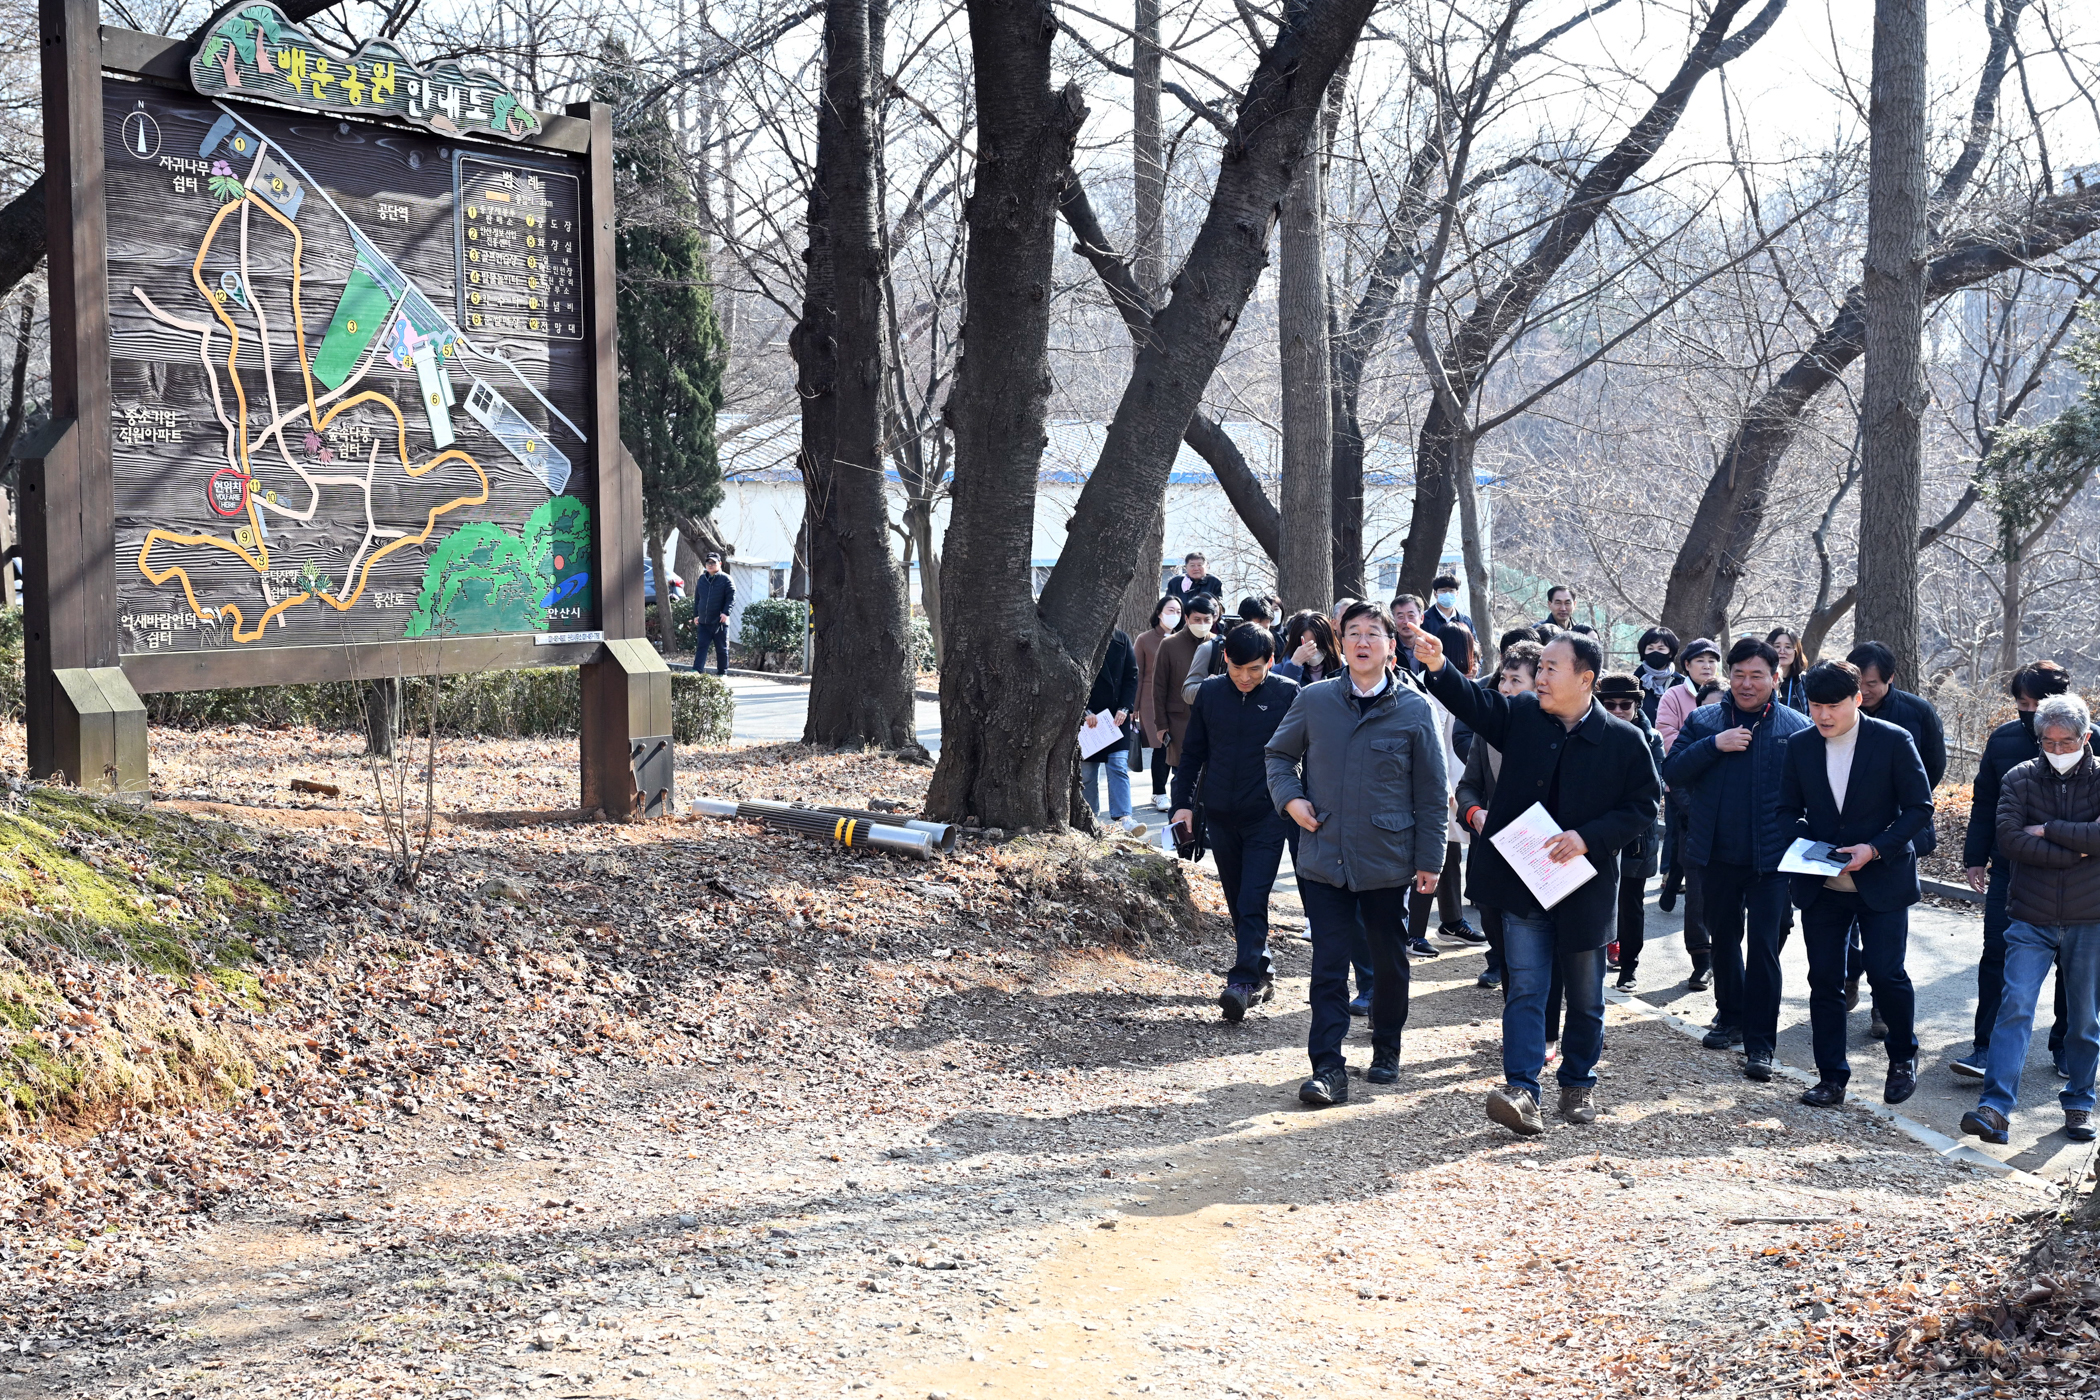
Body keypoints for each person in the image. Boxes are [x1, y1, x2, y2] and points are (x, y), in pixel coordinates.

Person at [1408, 624, 1661, 1136]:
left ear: (1585, 678)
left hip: (1584, 888)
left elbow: (1643, 806)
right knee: (1524, 987)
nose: (1539, 677)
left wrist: (1588, 837)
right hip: (1524, 883)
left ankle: (1578, 1084)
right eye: (1538, 668)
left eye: (1550, 669)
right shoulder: (1522, 714)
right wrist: (1438, 666)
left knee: (1587, 998)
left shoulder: (1625, 739)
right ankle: (1522, 1089)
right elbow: (1478, 708)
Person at [1266, 601, 1448, 1106]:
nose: (1363, 641)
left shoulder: (1415, 708)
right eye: (1353, 633)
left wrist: (1430, 861)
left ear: (1392, 647)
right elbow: (1278, 755)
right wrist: (1291, 798)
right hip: (1324, 855)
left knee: (1389, 961)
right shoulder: (1314, 699)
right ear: (1340, 644)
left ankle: (1386, 1047)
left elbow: (1432, 792)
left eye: (1374, 633)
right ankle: (1327, 1066)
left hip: (1388, 859)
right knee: (1328, 964)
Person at [1777, 660, 1933, 1108]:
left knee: (1887, 974)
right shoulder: (1801, 745)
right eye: (1815, 706)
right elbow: (1785, 810)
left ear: (1857, 699)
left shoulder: (1892, 740)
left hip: (1881, 879)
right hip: (1821, 884)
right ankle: (1831, 1076)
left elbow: (1919, 809)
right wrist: (1807, 845)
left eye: (1834, 706)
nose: (1824, 716)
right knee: (1824, 980)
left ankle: (1903, 1056)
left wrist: (1876, 848)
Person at [1663, 638, 1812, 1072]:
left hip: (1772, 859)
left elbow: (1811, 794)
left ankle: (1761, 1043)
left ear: (1775, 677)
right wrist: (1715, 745)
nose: (1748, 684)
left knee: (1765, 947)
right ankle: (1730, 1016)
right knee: (1724, 939)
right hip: (1716, 853)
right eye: (1740, 675)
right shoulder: (1705, 720)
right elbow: (1672, 773)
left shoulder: (1797, 726)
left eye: (1757, 675)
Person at [1961, 691, 2100, 1147]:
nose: (2057, 750)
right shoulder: (2020, 778)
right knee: (2015, 1007)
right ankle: (1995, 1107)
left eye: (2067, 741)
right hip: (2029, 914)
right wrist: (2079, 852)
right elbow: (2010, 841)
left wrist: (2052, 832)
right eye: (2049, 742)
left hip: (2090, 916)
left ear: (2086, 737)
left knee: (2083, 1018)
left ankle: (2080, 1100)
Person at [1956, 660, 2084, 1081]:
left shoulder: (2091, 742)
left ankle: (2065, 1046)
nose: (2029, 715)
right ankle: (1985, 1047)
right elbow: (1985, 803)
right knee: (1996, 953)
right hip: (2012, 872)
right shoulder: (2005, 740)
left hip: (2079, 878)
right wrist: (1975, 855)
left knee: (2073, 966)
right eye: (2022, 705)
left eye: (2037, 704)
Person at [1173, 626, 1299, 1022]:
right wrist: (1182, 807)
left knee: (1252, 898)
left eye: (1256, 669)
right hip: (1221, 815)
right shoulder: (1210, 693)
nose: (1245, 677)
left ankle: (1242, 981)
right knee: (1236, 901)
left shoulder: (1286, 694)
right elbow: (1191, 755)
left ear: (1271, 662)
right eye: (1238, 667)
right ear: (1224, 657)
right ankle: (1262, 970)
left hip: (1267, 815)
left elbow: (1304, 755)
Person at [1844, 640, 1949, 1029]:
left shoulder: (1917, 712)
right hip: (1845, 830)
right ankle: (1849, 974)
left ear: (1890, 679)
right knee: (1843, 916)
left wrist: (1900, 809)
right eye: (1859, 682)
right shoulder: (1838, 708)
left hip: (1899, 829)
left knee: (1886, 917)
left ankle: (1881, 1002)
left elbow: (1933, 767)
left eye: (1871, 683)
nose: (1864, 691)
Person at [1456, 642, 1544, 992]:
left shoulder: (1557, 734)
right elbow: (1468, 788)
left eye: (1515, 681)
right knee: (1497, 931)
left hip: (1540, 855)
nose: (1505, 688)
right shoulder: (1487, 730)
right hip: (1492, 851)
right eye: (1503, 679)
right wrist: (1475, 814)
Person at [1412, 625, 1483, 957]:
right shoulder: (1444, 690)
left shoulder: (1447, 686)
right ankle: (1415, 931)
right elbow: (1435, 742)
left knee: (1449, 854)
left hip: (1456, 781)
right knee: (1437, 854)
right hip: (1448, 783)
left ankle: (1452, 920)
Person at [1595, 672, 1668, 990]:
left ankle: (1629, 967)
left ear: (1637, 705)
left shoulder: (1651, 739)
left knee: (1631, 905)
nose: (1617, 710)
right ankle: (1593, 965)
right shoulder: (1589, 732)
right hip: (1596, 831)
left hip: (1638, 835)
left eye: (1625, 704)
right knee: (1594, 901)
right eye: (1609, 704)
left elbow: (1653, 788)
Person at [1081, 627, 1142, 833]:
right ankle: (1089, 817)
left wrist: (1126, 707)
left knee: (1118, 766)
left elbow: (1131, 676)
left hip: (1117, 717)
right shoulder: (1083, 636)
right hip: (1091, 719)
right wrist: (1084, 710)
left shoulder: (1122, 639)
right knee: (1088, 772)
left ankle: (1124, 817)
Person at [1154, 593, 1217, 775]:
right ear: (1186, 618)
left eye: (1207, 619)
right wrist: (1161, 724)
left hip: (1212, 720)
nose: (1202, 624)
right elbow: (1159, 687)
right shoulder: (1169, 645)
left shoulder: (1218, 643)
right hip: (1178, 720)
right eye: (1197, 619)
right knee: (1182, 772)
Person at [1133, 596, 1182, 811]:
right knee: (1161, 746)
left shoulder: (1184, 638)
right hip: (1151, 699)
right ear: (1159, 612)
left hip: (1180, 699)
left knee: (1180, 746)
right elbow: (1138, 673)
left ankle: (1179, 792)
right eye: (1170, 610)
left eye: (1179, 612)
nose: (1175, 615)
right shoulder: (1145, 639)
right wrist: (1133, 707)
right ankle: (1159, 793)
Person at [1182, 596, 1277, 702]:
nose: (1261, 635)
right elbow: (1188, 693)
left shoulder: (1267, 652)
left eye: (1265, 630)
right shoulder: (1211, 649)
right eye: (1255, 628)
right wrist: (1211, 686)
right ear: (1240, 623)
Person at [692, 553, 734, 677]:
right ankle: (696, 671)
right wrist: (696, 615)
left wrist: (726, 613)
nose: (710, 565)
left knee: (721, 648)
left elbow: (731, 598)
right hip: (704, 620)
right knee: (701, 647)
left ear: (719, 564)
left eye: (713, 563)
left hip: (719, 621)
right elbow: (697, 599)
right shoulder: (702, 579)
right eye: (708, 563)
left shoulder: (726, 579)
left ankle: (722, 672)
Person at [1275, 610, 1341, 686]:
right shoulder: (1279, 671)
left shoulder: (1341, 666)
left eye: (1318, 644)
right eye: (1307, 645)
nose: (1313, 650)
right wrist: (1294, 665)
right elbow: (1282, 695)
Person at [1634, 628, 1680, 723]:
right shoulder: (1633, 683)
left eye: (1661, 649)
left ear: (1670, 653)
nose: (1655, 652)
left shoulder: (1681, 683)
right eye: (1650, 648)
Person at [1425, 573, 1475, 646]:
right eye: (1443, 590)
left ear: (1457, 593)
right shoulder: (1424, 619)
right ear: (1435, 594)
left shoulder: (1465, 620)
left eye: (1451, 591)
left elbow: (1474, 647)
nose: (1447, 594)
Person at [1768, 628, 1808, 712]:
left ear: (1796, 651)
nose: (1782, 651)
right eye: (1777, 646)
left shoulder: (1805, 681)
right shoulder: (1759, 679)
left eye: (1788, 647)